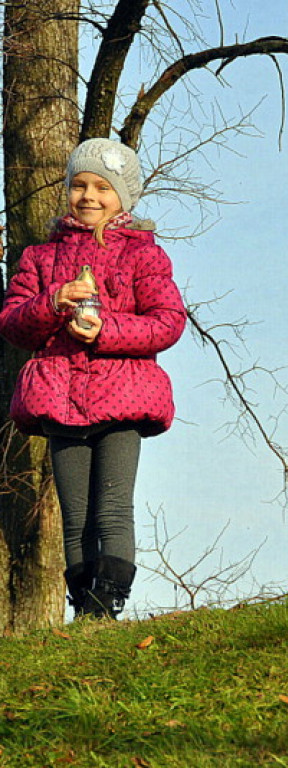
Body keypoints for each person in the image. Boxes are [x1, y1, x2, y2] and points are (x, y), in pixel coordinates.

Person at [0, 138, 186, 619]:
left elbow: (167, 322)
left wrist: (106, 329)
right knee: (75, 517)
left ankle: (107, 604)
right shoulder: (40, 258)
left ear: (123, 196)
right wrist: (53, 301)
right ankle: (85, 610)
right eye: (79, 185)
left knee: (112, 509)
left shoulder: (144, 256)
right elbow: (13, 322)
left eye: (101, 187)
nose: (88, 196)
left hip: (124, 398)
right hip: (60, 399)